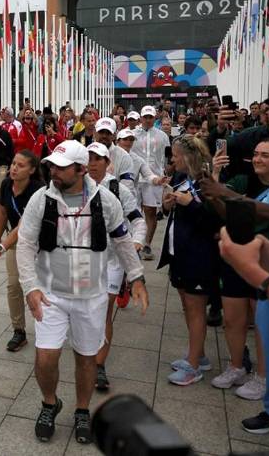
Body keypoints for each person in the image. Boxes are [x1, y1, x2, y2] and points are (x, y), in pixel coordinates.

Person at [16, 140, 149, 444]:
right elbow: (25, 245)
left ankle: (82, 410)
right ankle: (50, 403)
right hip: (51, 293)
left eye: (61, 168)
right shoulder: (42, 198)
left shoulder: (107, 200)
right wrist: (30, 287)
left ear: (80, 169)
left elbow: (122, 241)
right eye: (51, 165)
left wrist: (137, 277)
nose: (53, 172)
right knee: (46, 357)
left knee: (86, 358)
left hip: (91, 296)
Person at [204, 138, 269, 400]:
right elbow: (225, 211)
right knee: (233, 318)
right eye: (256, 154)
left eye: (266, 155)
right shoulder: (242, 179)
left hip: (264, 263)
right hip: (235, 259)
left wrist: (224, 193)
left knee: (261, 323)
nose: (258, 159)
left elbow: (268, 213)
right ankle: (236, 366)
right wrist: (213, 186)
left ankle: (263, 376)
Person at [86, 143, 147, 392]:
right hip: (83, 261)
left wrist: (136, 242)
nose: (92, 163)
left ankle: (99, 365)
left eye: (97, 159)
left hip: (112, 258)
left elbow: (138, 220)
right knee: (86, 309)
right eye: (88, 158)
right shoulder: (74, 187)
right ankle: (85, 349)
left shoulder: (118, 189)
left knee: (105, 308)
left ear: (107, 162)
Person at [160, 135, 220, 385]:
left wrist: (190, 204)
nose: (172, 160)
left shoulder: (208, 182)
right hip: (180, 253)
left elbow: (215, 221)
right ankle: (199, 355)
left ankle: (193, 366)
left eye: (175, 155)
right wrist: (168, 204)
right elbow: (171, 210)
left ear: (187, 156)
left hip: (199, 255)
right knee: (187, 306)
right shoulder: (182, 178)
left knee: (196, 310)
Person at [0, 150, 45, 351]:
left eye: (21, 165)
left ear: (32, 170)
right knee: (13, 285)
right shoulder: (7, 184)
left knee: (41, 286)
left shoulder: (39, 190)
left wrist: (1, 247)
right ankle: (19, 331)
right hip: (15, 242)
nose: (14, 168)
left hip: (39, 243)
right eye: (13, 164)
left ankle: (51, 325)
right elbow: (2, 211)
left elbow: (24, 225)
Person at [132, 105, 170, 261]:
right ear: (140, 118)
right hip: (135, 178)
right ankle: (134, 243)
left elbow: (167, 158)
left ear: (155, 118)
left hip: (155, 178)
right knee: (133, 211)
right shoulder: (132, 134)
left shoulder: (162, 136)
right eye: (145, 117)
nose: (147, 120)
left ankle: (147, 244)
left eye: (150, 117)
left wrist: (166, 173)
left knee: (150, 211)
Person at [94, 117, 134, 188]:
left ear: (114, 135)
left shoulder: (124, 157)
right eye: (101, 132)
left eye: (108, 133)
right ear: (95, 133)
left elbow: (127, 186)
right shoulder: (86, 154)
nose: (104, 136)